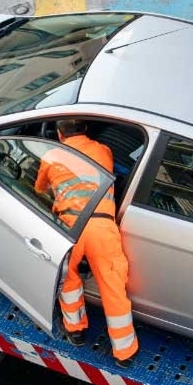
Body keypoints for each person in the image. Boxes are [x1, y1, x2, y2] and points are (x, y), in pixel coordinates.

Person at [34, 119, 139, 368]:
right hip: (102, 225)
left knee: (68, 280)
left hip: (69, 227)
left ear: (59, 134)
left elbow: (39, 189)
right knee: (112, 286)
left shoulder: (51, 156)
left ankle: (76, 330)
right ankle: (124, 353)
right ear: (86, 130)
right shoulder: (104, 150)